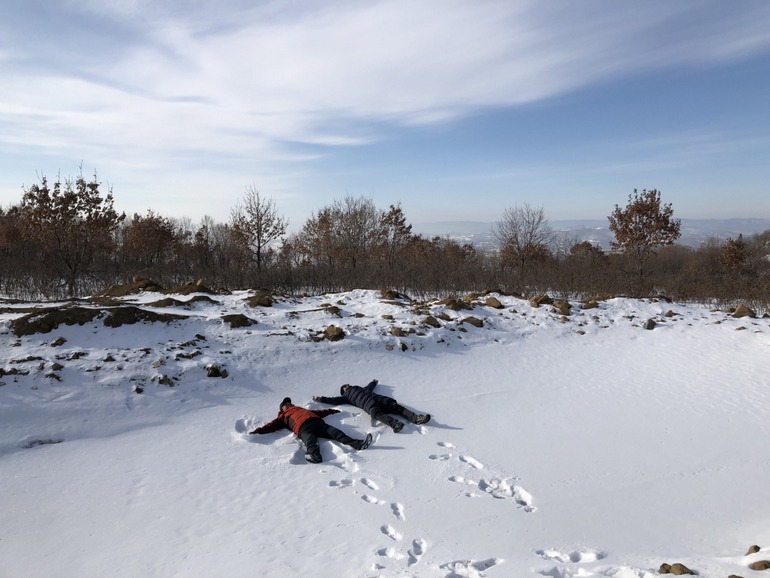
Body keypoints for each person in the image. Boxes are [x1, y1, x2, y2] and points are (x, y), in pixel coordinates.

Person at [250, 397, 372, 464]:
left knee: (336, 433)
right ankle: (314, 456)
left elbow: (319, 412)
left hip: (318, 423)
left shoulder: (300, 409)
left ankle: (359, 444)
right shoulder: (283, 416)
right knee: (311, 441)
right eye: (286, 404)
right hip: (303, 428)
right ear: (282, 408)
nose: (290, 404)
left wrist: (331, 411)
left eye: (290, 402)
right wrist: (258, 431)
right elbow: (271, 425)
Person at [312, 379, 430, 433]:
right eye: (345, 386)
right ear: (343, 391)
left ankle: (417, 418)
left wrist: (373, 382)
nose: (347, 385)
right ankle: (395, 424)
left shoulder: (360, 388)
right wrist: (321, 399)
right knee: (378, 415)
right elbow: (333, 400)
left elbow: (370, 387)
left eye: (347, 384)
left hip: (381, 400)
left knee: (397, 408)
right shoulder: (345, 397)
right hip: (369, 406)